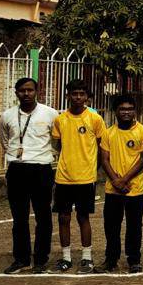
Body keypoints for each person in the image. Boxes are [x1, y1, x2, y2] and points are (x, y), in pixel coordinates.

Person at [0, 77, 57, 274]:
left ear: (36, 92)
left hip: (41, 169)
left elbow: (57, 141)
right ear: (16, 93)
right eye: (22, 90)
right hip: (17, 169)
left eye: (30, 90)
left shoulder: (50, 114)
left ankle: (41, 259)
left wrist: (44, 156)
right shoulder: (7, 115)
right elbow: (5, 140)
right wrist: (15, 156)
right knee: (19, 217)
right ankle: (21, 259)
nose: (26, 94)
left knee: (43, 216)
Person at [50, 79, 105, 272]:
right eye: (74, 94)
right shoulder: (60, 119)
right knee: (63, 218)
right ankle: (66, 257)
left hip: (86, 178)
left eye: (82, 94)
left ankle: (87, 257)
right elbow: (57, 145)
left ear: (87, 97)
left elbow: (101, 147)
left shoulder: (95, 119)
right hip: (63, 177)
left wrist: (93, 169)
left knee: (83, 217)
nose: (78, 97)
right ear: (68, 96)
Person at [98, 94, 143, 273]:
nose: (126, 112)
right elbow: (104, 159)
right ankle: (111, 259)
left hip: (135, 188)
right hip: (113, 189)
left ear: (135, 111)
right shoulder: (108, 132)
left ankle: (134, 259)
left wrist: (125, 179)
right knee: (111, 226)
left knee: (134, 225)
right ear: (116, 111)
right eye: (122, 109)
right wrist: (116, 180)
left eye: (129, 109)